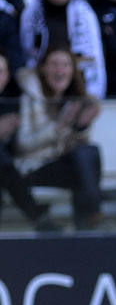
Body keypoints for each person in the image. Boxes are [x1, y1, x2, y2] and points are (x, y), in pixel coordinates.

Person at [14, 47, 102, 229]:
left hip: (65, 164)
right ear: (43, 69)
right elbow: (22, 145)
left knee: (90, 152)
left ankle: (87, 220)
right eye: (54, 64)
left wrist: (80, 127)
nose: (60, 70)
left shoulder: (74, 98)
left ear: (72, 70)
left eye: (65, 65)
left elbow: (77, 149)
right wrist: (58, 127)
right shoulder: (30, 98)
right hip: (34, 167)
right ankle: (90, 220)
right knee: (84, 162)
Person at [19, 0, 106, 98]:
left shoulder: (84, 13)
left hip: (76, 75)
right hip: (41, 74)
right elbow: (27, 50)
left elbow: (93, 55)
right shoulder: (31, 11)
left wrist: (94, 92)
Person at [0, 53, 58, 231]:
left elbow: (23, 144)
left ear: (8, 75)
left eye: (1, 71)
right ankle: (36, 214)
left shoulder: (12, 103)